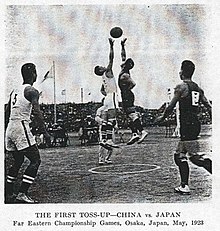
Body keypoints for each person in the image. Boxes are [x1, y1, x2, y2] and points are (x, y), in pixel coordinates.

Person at [155, 60, 212, 195]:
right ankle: (184, 185)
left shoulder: (181, 87)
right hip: (195, 123)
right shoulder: (198, 88)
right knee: (179, 155)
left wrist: (162, 118)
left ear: (182, 71)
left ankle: (188, 184)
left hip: (187, 124)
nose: (179, 72)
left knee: (193, 157)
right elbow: (209, 106)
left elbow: (170, 106)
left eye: (180, 69)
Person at [5, 63, 50, 203]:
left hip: (10, 128)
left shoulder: (14, 91)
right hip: (20, 126)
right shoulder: (32, 91)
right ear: (34, 74)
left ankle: (8, 192)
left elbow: (7, 112)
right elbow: (37, 112)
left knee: (18, 160)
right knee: (35, 160)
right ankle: (22, 193)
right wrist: (45, 132)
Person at [118, 38, 148, 145]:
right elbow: (123, 56)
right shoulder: (124, 69)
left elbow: (133, 83)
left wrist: (128, 89)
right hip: (125, 94)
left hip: (127, 95)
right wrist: (122, 46)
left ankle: (142, 131)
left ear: (126, 65)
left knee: (132, 115)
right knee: (129, 115)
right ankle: (135, 133)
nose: (122, 62)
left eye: (124, 62)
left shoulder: (125, 75)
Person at [94, 38, 120, 151]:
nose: (103, 66)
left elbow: (102, 91)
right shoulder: (107, 72)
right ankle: (109, 139)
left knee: (106, 121)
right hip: (112, 96)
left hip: (107, 98)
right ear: (100, 70)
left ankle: (104, 139)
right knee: (112, 120)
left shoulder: (103, 79)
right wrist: (111, 46)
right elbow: (111, 58)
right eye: (101, 66)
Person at [95, 100, 119, 165]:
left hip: (111, 129)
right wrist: (102, 121)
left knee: (111, 143)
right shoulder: (100, 109)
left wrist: (116, 126)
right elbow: (96, 117)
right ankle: (101, 159)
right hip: (103, 128)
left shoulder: (111, 109)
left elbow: (114, 119)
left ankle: (107, 158)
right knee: (103, 143)